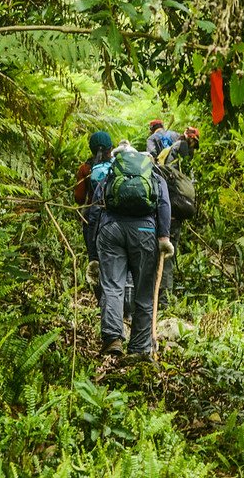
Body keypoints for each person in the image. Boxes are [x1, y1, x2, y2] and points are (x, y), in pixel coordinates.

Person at [87, 141, 174, 358]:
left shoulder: (110, 173)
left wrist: (93, 254)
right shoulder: (154, 174)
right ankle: (139, 348)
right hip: (145, 231)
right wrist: (163, 236)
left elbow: (94, 211)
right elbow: (164, 204)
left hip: (111, 230)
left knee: (112, 285)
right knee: (144, 291)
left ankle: (113, 339)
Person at [156, 126, 200, 306]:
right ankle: (164, 300)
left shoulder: (171, 152)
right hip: (176, 214)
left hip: (165, 212)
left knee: (159, 256)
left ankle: (159, 298)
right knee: (167, 257)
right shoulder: (183, 155)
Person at [74, 130, 113, 255]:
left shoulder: (85, 168)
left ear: (91, 149)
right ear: (111, 148)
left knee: (94, 256)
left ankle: (93, 261)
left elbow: (79, 198)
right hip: (116, 215)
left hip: (94, 215)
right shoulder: (119, 164)